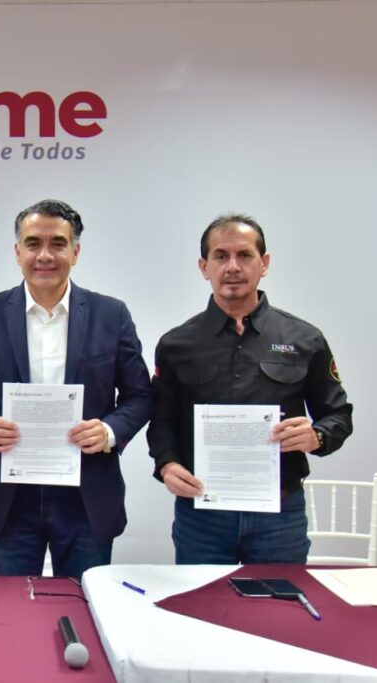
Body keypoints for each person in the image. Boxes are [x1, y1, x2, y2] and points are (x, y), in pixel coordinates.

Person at [0, 199, 153, 580]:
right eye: (33, 243)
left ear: (75, 252)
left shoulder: (111, 315)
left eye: (58, 244)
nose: (45, 255)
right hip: (8, 496)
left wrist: (109, 431)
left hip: (86, 493)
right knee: (12, 607)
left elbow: (140, 396)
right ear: (18, 252)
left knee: (83, 601)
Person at [148, 214, 353, 564]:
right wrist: (167, 465)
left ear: (264, 263)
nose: (232, 267)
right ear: (204, 267)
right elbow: (162, 421)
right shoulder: (176, 345)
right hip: (202, 517)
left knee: (279, 601)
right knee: (201, 600)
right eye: (220, 256)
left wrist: (316, 436)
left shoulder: (304, 339)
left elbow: (339, 415)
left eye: (244, 255)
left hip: (279, 516)